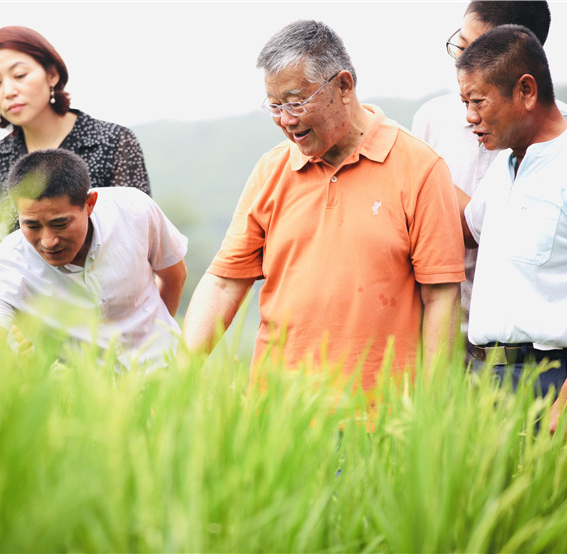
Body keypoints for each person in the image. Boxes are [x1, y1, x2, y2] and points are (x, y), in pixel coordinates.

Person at [182, 20, 465, 392]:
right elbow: (222, 284)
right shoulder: (271, 171)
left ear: (344, 86)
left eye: (297, 102)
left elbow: (441, 297)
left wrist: (432, 410)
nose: (286, 120)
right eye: (275, 105)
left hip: (382, 417)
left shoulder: (420, 169)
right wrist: (180, 375)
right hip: (280, 415)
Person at [412, 1, 567, 328]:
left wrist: (420, 172)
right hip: (455, 338)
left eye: (481, 54)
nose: (471, 116)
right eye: (461, 48)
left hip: (537, 356)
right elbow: (471, 225)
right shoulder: (435, 123)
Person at [454, 25, 567, 431]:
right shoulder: (507, 165)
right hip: (485, 378)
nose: (469, 118)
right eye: (465, 102)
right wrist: (411, 169)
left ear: (526, 91)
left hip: (549, 382)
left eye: (477, 101)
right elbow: (467, 229)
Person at [0, 149, 187, 372]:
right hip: (84, 398)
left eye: (60, 224)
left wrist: (156, 333)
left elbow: (173, 276)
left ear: (89, 204)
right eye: (31, 225)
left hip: (168, 374)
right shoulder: (4, 265)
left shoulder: (134, 210)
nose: (48, 241)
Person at [0, 26, 151, 263]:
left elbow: (141, 235)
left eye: (19, 76)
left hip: (107, 296)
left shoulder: (112, 141)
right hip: (29, 299)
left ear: (52, 75)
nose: (9, 91)